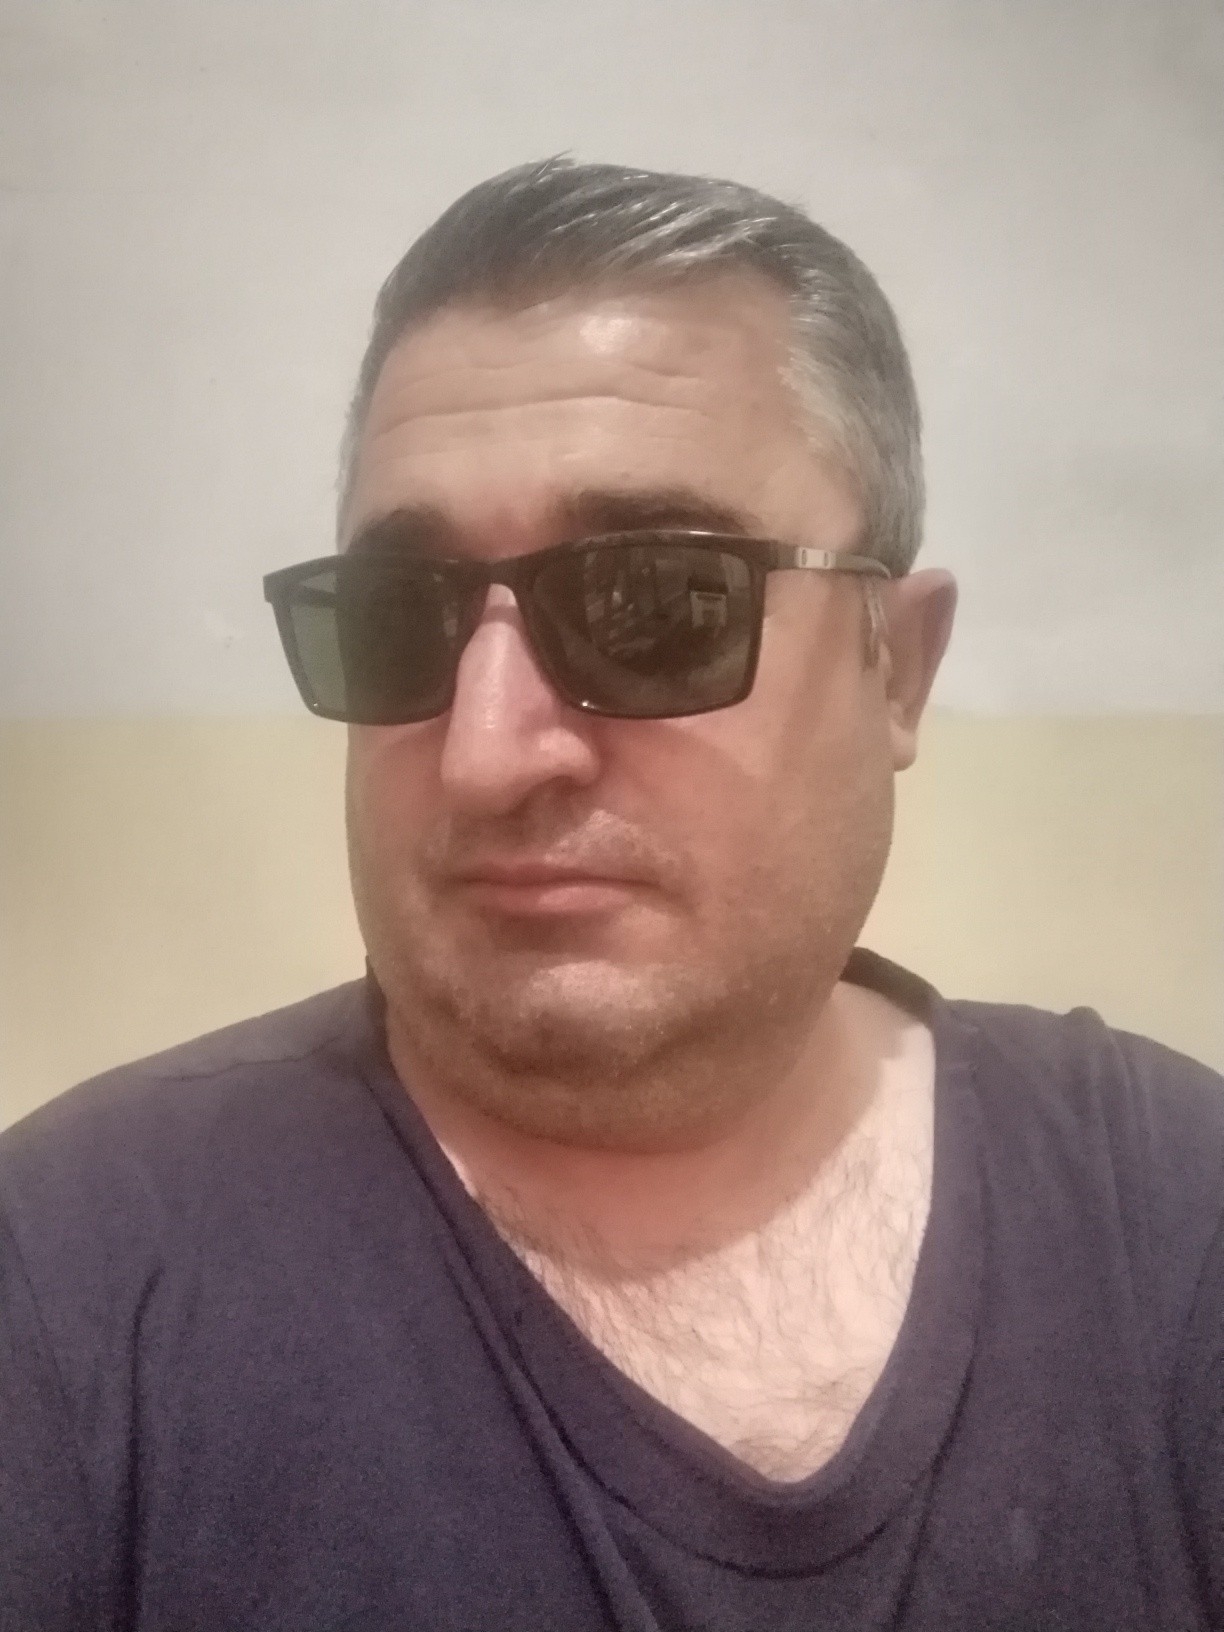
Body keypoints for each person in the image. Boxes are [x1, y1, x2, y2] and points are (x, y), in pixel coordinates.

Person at [1, 158, 1220, 1632]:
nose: (485, 754)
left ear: (896, 666)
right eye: (399, 616)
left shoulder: (1173, 1219)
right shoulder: (66, 1275)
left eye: (656, 602)